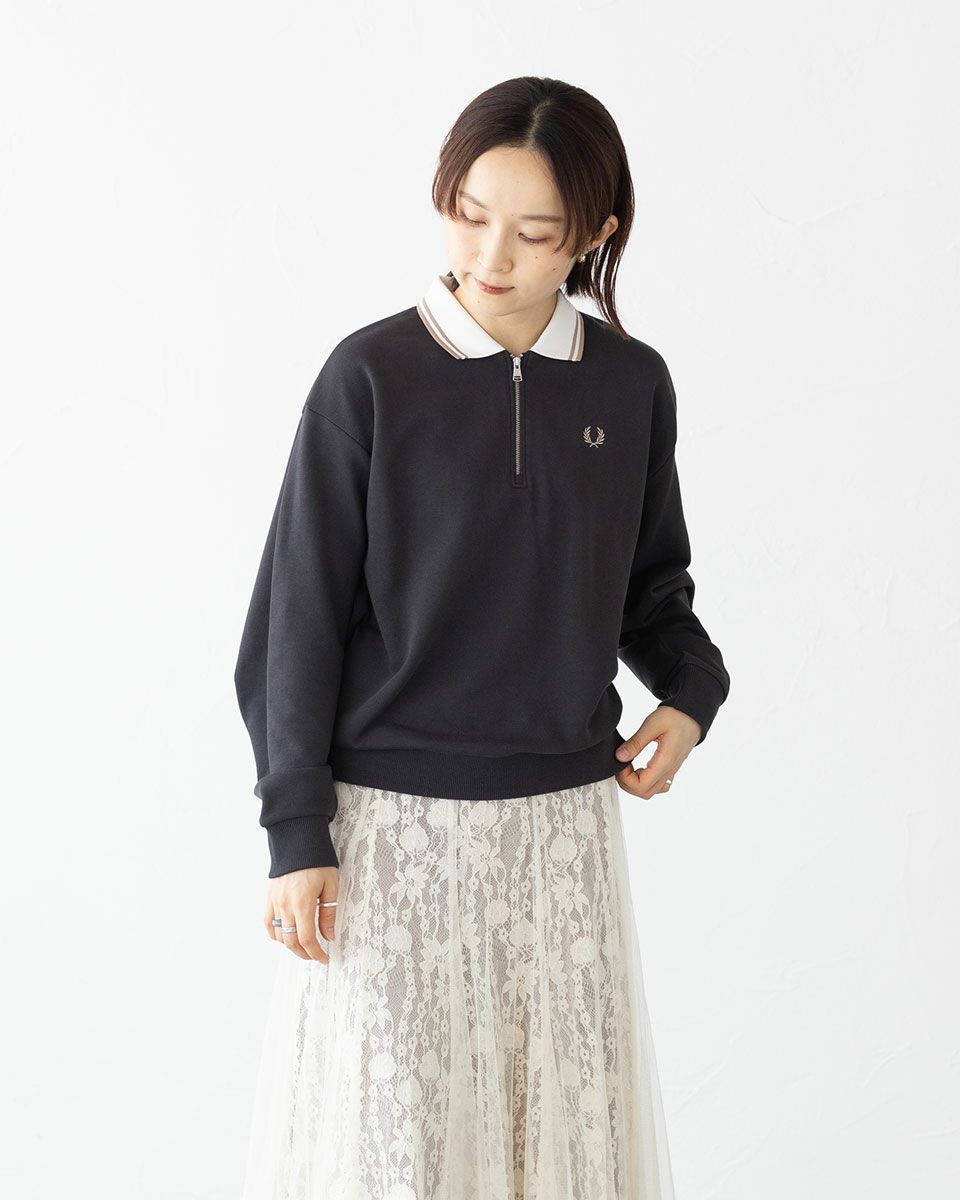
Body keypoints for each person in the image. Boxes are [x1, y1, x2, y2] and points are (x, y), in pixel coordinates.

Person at [234, 75, 730, 1200]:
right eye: (468, 214)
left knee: (556, 1158)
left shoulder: (631, 385)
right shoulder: (369, 377)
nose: (490, 256)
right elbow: (292, 624)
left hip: (562, 838)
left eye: (535, 232)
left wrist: (691, 698)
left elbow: (651, 591)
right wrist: (295, 830)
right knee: (394, 1162)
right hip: (387, 838)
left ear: (594, 235)